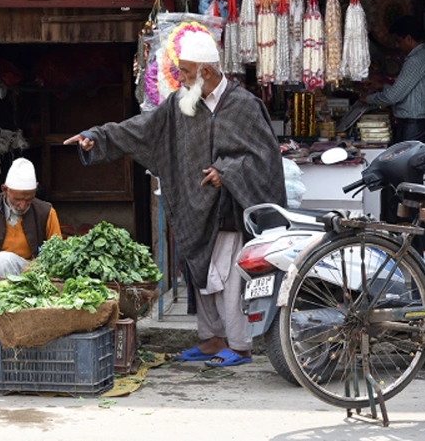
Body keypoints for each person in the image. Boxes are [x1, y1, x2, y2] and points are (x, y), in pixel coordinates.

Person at [64, 23, 286, 367]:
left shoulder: (244, 106)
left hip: (230, 210)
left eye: (185, 71)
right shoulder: (181, 104)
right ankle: (211, 340)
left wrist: (226, 171)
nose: (179, 77)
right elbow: (141, 129)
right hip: (194, 208)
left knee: (228, 280)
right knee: (200, 276)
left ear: (206, 71)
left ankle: (240, 346)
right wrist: (98, 136)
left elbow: (264, 158)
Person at [0, 157, 62, 278]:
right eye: (17, 199)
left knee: (4, 260)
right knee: (2, 261)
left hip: (32, 276)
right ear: (5, 190)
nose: (23, 206)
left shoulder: (46, 212)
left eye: (29, 199)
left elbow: (58, 257)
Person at [363, 15, 425, 142]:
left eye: (399, 41)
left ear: (409, 39)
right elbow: (406, 93)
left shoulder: (417, 61)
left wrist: (367, 99)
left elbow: (392, 97)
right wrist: (382, 86)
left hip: (414, 127)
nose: (397, 45)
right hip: (415, 126)